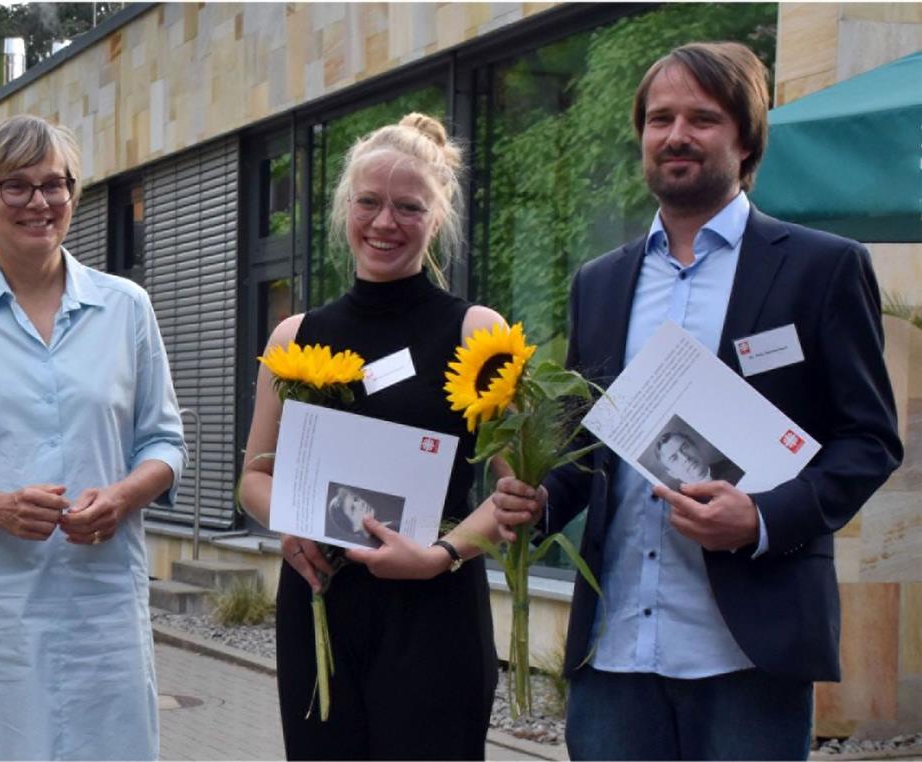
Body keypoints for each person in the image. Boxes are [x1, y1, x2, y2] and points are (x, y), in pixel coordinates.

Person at [490, 42, 902, 760]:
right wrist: (540, 501)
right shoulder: (601, 282)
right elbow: (591, 448)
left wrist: (763, 518)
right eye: (660, 118)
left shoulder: (823, 268)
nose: (676, 135)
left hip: (750, 651)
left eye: (702, 119)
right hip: (615, 649)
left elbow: (870, 440)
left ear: (745, 139)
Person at [0, 115, 187, 760]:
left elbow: (164, 444)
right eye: (15, 186)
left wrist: (124, 496)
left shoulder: (126, 307)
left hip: (99, 599)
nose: (39, 202)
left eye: (56, 184)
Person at [237, 113, 514, 760]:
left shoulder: (477, 333)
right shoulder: (295, 337)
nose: (385, 222)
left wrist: (442, 554)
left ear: (437, 217)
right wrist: (292, 521)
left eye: (408, 207)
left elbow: (518, 493)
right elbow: (254, 477)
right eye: (369, 202)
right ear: (344, 208)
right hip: (321, 601)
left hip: (433, 609)